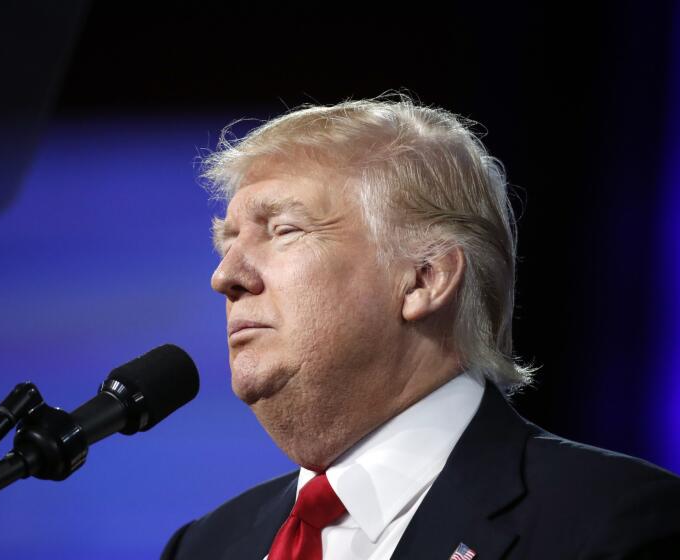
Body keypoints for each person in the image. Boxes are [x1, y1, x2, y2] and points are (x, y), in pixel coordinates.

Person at [161, 96, 680, 559]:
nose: (225, 275)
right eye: (227, 242)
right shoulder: (204, 546)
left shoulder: (610, 524)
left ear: (423, 280)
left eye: (284, 230)